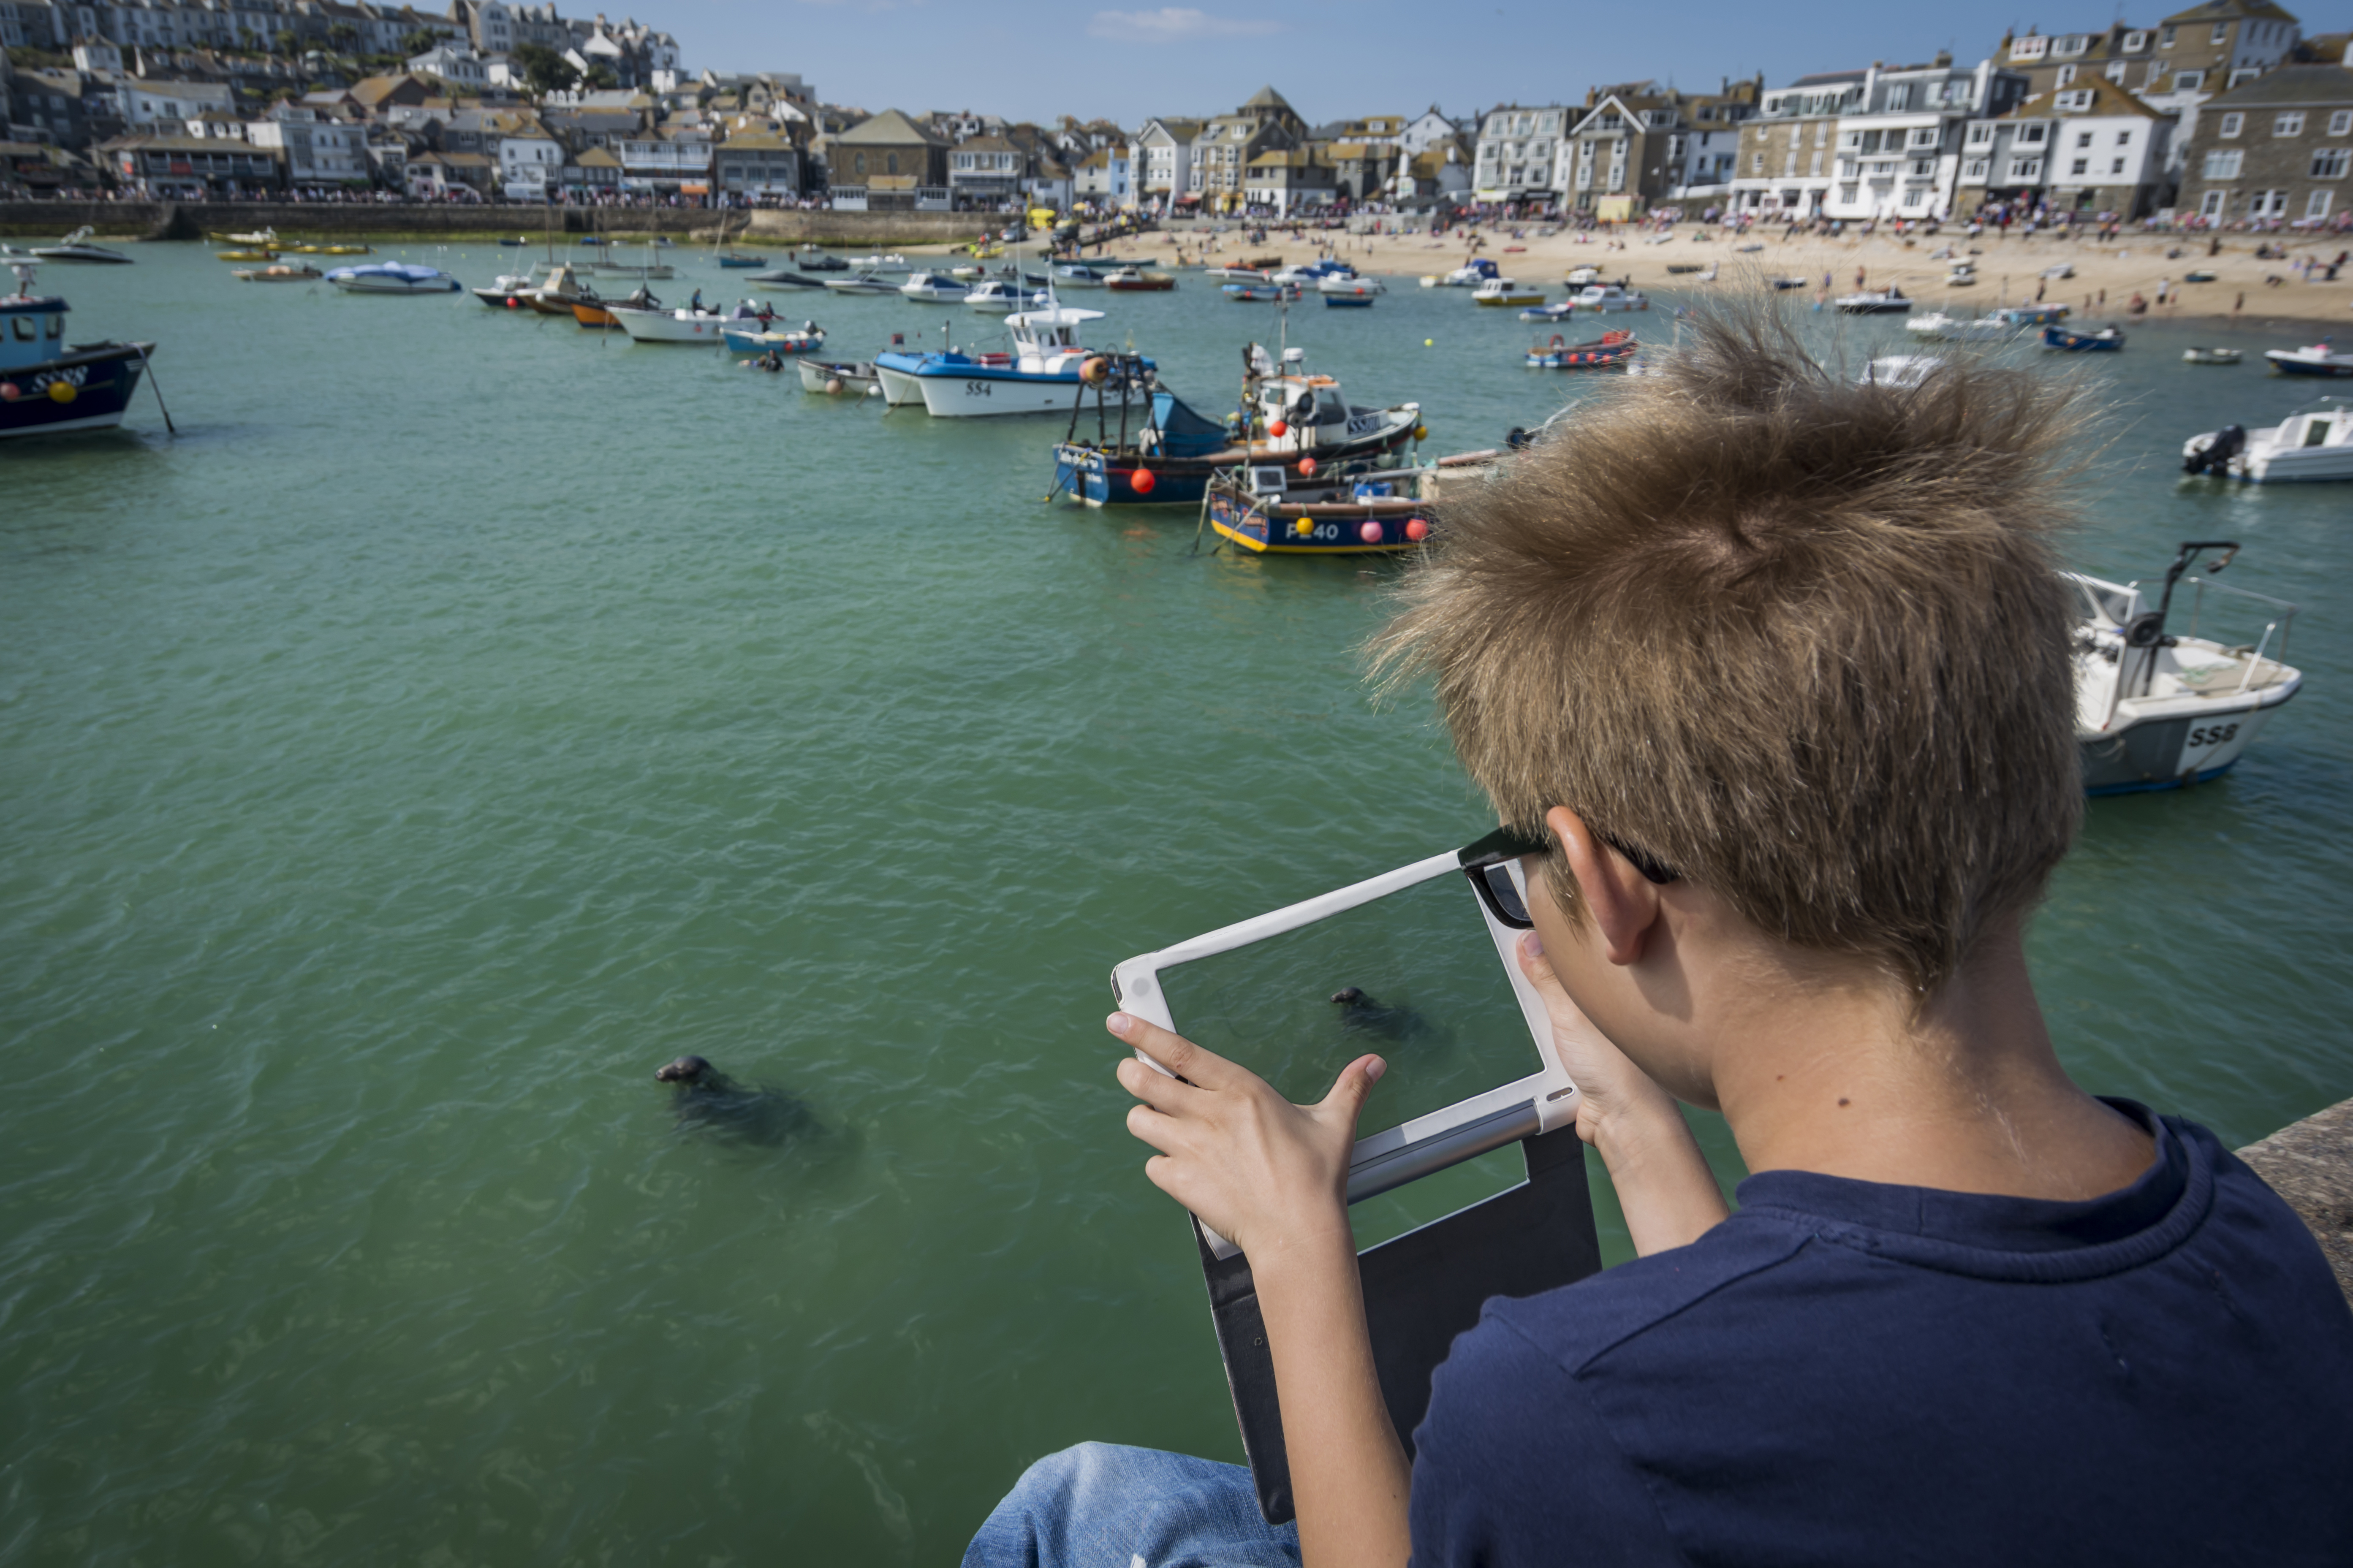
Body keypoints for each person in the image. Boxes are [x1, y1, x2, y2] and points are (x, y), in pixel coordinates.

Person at [961, 304, 2353, 1568]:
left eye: (1519, 864)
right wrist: (1629, 1116)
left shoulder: (1568, 1403)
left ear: (1600, 886)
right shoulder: (2240, 1224)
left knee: (1080, 1506)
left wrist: (1292, 1244)